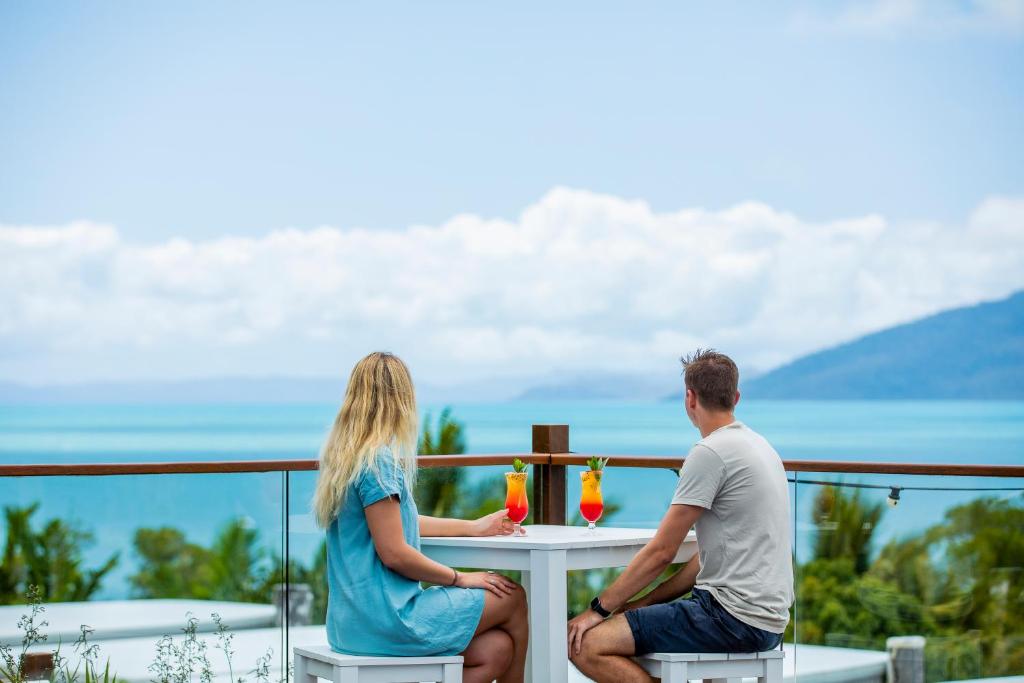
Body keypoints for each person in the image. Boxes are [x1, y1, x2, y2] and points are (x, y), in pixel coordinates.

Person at [567, 349, 793, 683]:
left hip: (728, 618)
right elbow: (705, 559)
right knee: (630, 633)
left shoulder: (710, 453)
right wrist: (644, 602)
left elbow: (661, 553)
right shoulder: (761, 446)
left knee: (582, 644)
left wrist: (597, 610)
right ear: (736, 397)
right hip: (769, 621)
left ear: (689, 398)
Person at [313, 351, 529, 683]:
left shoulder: (346, 460)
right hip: (389, 620)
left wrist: (474, 528)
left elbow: (396, 523)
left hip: (349, 626)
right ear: (400, 400)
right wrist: (460, 578)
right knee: (512, 596)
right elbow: (395, 553)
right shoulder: (379, 463)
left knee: (495, 650)